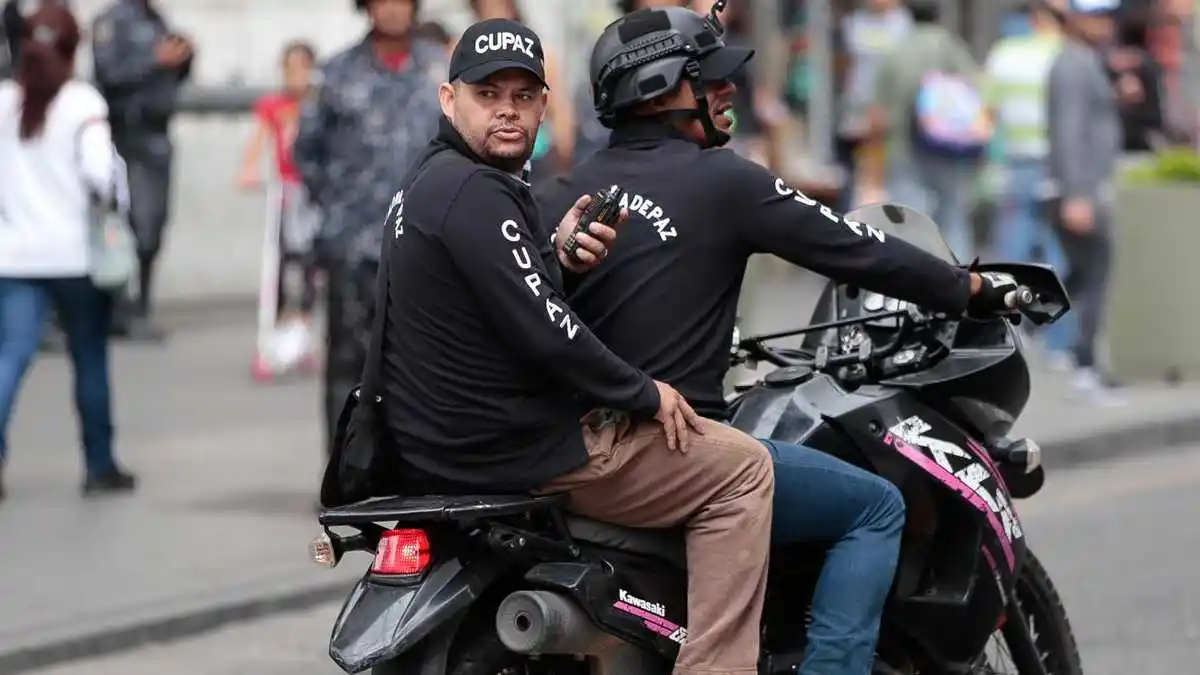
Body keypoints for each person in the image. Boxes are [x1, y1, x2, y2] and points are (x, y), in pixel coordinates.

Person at [535, 7, 1022, 674]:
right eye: (711, 80)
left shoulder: (557, 191)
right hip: (673, 450)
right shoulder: (726, 181)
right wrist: (967, 289)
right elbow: (861, 250)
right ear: (661, 88)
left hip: (564, 453)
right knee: (876, 505)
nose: (730, 92)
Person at [369, 17, 775, 675]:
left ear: (543, 104)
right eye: (487, 94)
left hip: (439, 447)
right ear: (449, 101)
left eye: (523, 96)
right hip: (513, 452)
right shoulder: (477, 193)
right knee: (744, 466)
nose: (507, 110)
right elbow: (548, 332)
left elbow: (503, 304)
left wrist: (556, 259)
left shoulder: (432, 183)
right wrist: (643, 391)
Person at [292, 0, 444, 468]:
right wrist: (340, 207)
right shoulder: (336, 74)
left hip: (423, 246)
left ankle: (415, 470)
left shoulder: (438, 71)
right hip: (354, 246)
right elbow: (306, 152)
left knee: (426, 365)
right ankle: (345, 469)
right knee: (348, 364)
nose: (393, 10)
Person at [0, 5, 136, 502]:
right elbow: (101, 176)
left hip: (14, 255)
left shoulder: (5, 101)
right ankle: (99, 466)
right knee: (90, 359)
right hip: (76, 257)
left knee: (10, 357)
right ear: (73, 46)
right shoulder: (82, 103)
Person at [91, 0, 194, 342]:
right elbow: (108, 75)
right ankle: (121, 310)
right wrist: (155, 60)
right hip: (128, 137)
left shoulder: (158, 21)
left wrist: (184, 58)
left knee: (155, 226)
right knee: (134, 224)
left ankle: (141, 307)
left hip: (157, 135)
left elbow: (172, 76)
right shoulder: (112, 21)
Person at [983, 1, 1075, 365]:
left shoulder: (1004, 53)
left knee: (1013, 251)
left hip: (1017, 163)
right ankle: (1059, 341)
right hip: (1056, 165)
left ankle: (1010, 332)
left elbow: (987, 114)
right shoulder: (1066, 54)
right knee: (1057, 254)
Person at [1046, 0, 1125, 404]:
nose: (1105, 23)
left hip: (1087, 187)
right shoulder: (1074, 65)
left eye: (1108, 15)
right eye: (1096, 15)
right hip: (1082, 190)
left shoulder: (1085, 61)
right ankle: (1086, 366)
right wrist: (1077, 194)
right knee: (1094, 275)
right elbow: (1068, 131)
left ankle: (1031, 328)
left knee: (1081, 273)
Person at [870, 0, 984, 262]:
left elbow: (878, 112)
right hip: (950, 149)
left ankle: (915, 278)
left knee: (910, 219)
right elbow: (975, 91)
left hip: (904, 148)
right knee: (953, 217)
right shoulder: (952, 47)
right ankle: (960, 275)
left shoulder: (898, 50)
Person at [237, 41, 321, 376]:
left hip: (317, 190)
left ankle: (300, 333)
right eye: (290, 69)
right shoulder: (273, 105)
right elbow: (257, 141)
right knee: (284, 263)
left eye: (303, 68)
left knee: (313, 264)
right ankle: (275, 336)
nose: (296, 76)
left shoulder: (320, 105)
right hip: (287, 191)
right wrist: (249, 168)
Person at [460, 0, 576, 183]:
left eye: (500, 5)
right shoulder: (461, 55)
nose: (495, 13)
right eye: (487, 6)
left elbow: (560, 111)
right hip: (481, 158)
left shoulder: (542, 55)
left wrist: (563, 161)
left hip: (536, 160)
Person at [835, 0, 912, 212]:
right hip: (856, 109)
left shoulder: (904, 24)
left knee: (889, 174)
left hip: (892, 112)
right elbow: (845, 64)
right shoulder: (855, 23)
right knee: (856, 171)